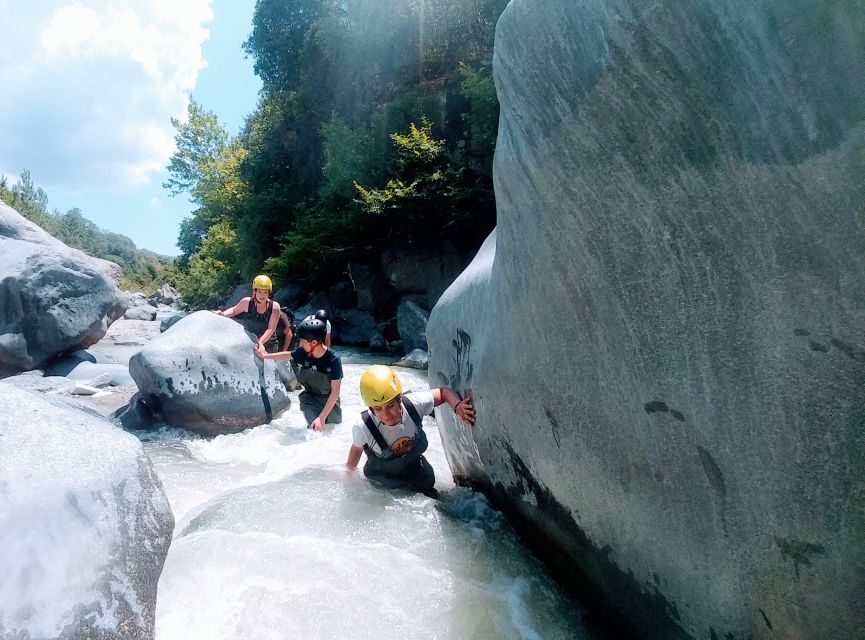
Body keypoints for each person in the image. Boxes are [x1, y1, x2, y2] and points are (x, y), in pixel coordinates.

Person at [345, 365, 475, 495]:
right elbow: (356, 450)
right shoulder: (363, 426)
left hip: (415, 471)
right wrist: (349, 477)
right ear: (371, 408)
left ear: (399, 399)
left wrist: (457, 406)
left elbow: (443, 392)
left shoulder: (414, 404)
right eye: (378, 409)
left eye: (390, 406)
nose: (386, 414)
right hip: (382, 482)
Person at [256, 316, 342, 431]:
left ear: (314, 343)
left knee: (333, 429)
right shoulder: (303, 352)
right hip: (310, 398)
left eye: (302, 340)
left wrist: (322, 417)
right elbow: (287, 355)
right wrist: (265, 356)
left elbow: (335, 392)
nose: (299, 344)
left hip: (330, 400)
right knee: (314, 430)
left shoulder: (334, 359)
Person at [213, 275, 282, 353]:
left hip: (269, 345)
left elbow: (271, 329)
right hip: (250, 340)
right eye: (259, 292)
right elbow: (234, 310)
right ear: (254, 291)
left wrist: (259, 343)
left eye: (265, 292)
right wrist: (223, 314)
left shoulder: (274, 307)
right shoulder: (247, 302)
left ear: (269, 293)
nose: (262, 295)